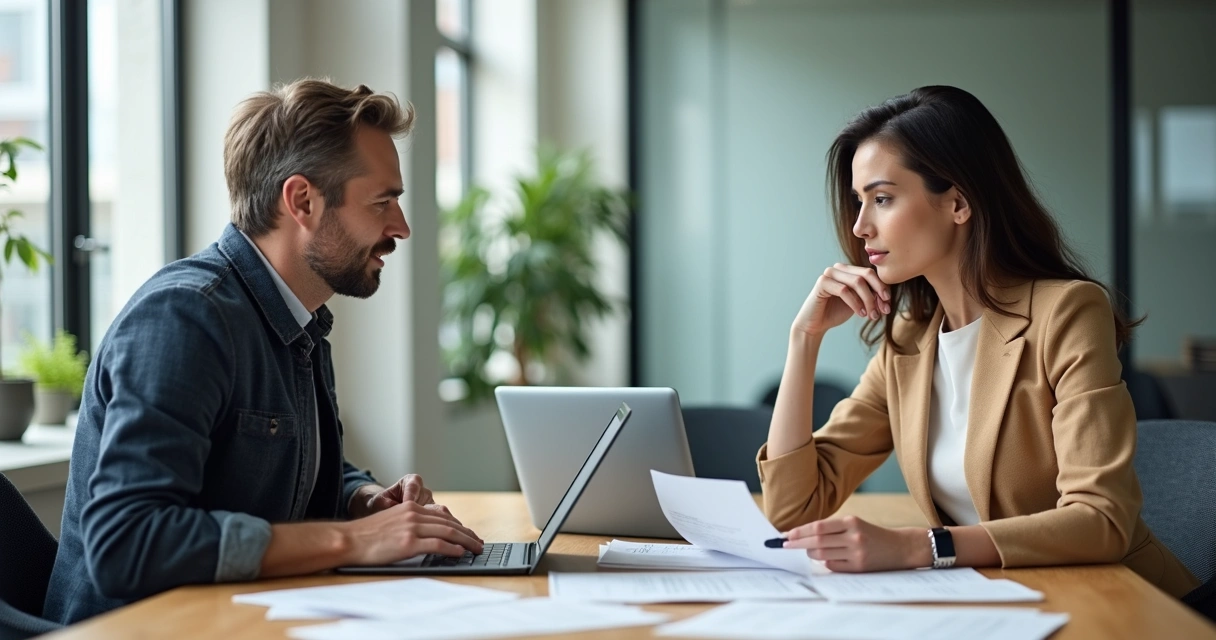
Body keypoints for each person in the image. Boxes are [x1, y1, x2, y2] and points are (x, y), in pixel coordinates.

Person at [44, 79, 484, 625]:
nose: (402, 226)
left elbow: (281, 461)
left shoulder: (297, 319)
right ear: (302, 200)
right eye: (383, 201)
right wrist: (350, 541)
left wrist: (365, 500)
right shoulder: (185, 319)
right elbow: (128, 542)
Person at [758, 85, 1199, 598]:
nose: (860, 227)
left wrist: (921, 546)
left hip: (1120, 601)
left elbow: (1101, 520)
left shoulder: (1066, 312)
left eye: (882, 199)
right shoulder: (910, 340)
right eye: (859, 202)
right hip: (998, 598)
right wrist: (803, 338)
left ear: (959, 203)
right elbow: (793, 508)